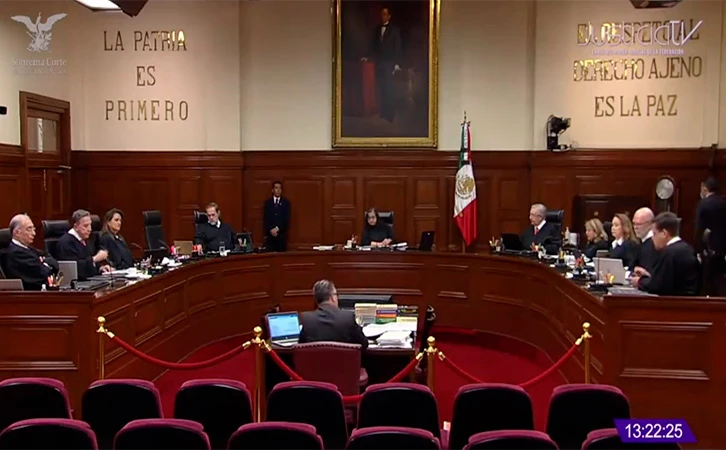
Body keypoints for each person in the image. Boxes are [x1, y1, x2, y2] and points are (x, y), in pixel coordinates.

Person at [631, 212, 699, 296]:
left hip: (674, 301)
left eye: (654, 234)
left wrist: (639, 281)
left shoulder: (669, 253)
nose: (652, 238)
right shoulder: (687, 248)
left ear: (664, 233)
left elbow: (657, 287)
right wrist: (648, 275)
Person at [298, 280, 369, 349]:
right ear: (332, 297)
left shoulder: (308, 320)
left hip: (317, 357)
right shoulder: (348, 317)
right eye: (336, 295)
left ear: (316, 299)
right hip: (343, 357)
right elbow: (364, 344)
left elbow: (301, 346)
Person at [3, 214, 58, 290]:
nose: (33, 233)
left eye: (33, 229)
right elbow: (43, 274)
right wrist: (44, 264)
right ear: (17, 232)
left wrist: (43, 262)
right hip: (29, 294)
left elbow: (54, 263)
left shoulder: (29, 248)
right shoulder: (16, 253)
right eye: (29, 229)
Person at [55, 209, 110, 280]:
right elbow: (75, 269)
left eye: (90, 225)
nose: (90, 229)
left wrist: (100, 268)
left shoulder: (84, 239)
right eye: (86, 226)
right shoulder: (66, 243)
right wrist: (95, 259)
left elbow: (87, 261)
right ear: (76, 227)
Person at [263, 181, 290, 252]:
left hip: (281, 236)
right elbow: (266, 219)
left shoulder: (286, 203)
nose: (278, 190)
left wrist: (277, 229)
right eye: (276, 188)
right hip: (270, 237)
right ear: (272, 190)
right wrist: (271, 230)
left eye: (280, 188)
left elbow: (286, 219)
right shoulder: (268, 203)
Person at [632, 207, 658, 274]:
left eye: (639, 224)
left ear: (651, 224)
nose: (635, 227)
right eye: (634, 223)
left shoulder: (654, 244)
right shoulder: (642, 243)